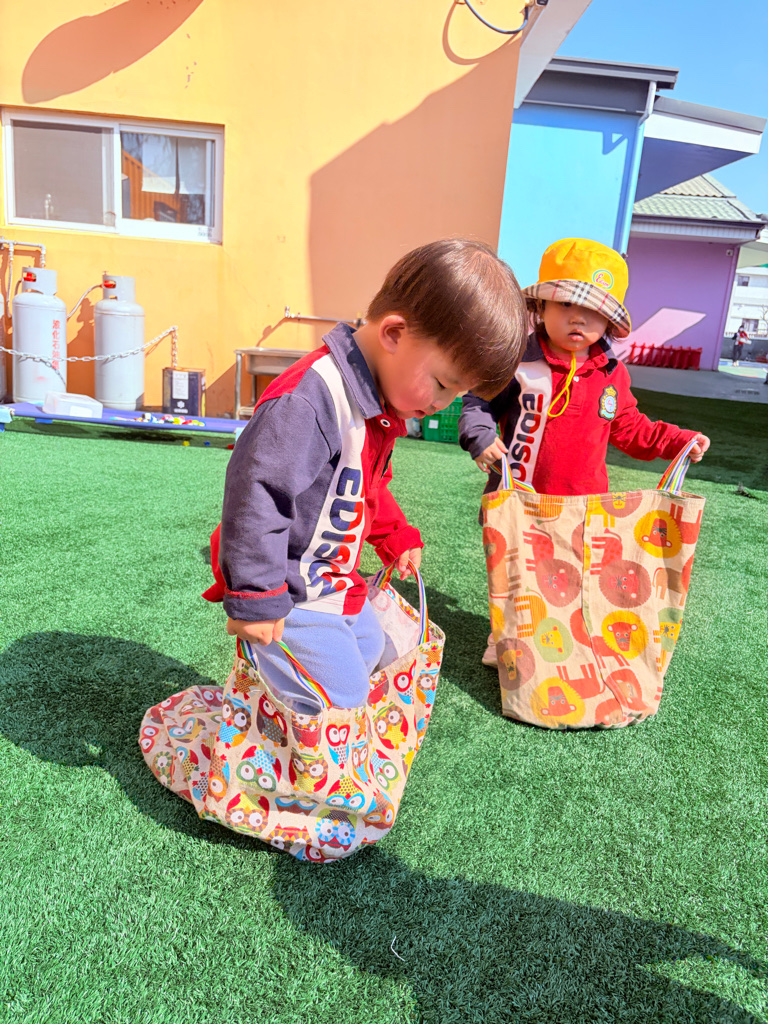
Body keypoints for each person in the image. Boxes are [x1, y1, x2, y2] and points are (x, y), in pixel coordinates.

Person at [204, 239, 528, 709]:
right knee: (341, 695)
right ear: (393, 333)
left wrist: (394, 535)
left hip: (332, 581)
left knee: (374, 648)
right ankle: (270, 735)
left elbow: (366, 486)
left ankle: (286, 702)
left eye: (457, 395)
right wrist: (257, 596)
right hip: (291, 589)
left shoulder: (375, 400)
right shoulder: (311, 400)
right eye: (442, 384)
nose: (442, 404)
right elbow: (256, 495)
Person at [457, 237, 710, 666]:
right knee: (516, 576)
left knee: (569, 581)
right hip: (518, 497)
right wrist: (479, 437)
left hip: (584, 507)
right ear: (541, 307)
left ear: (609, 321)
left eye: (593, 311)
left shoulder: (611, 374)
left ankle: (561, 646)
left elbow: (631, 428)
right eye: (565, 305)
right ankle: (506, 638)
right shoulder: (517, 361)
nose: (578, 318)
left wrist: (678, 440)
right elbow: (478, 402)